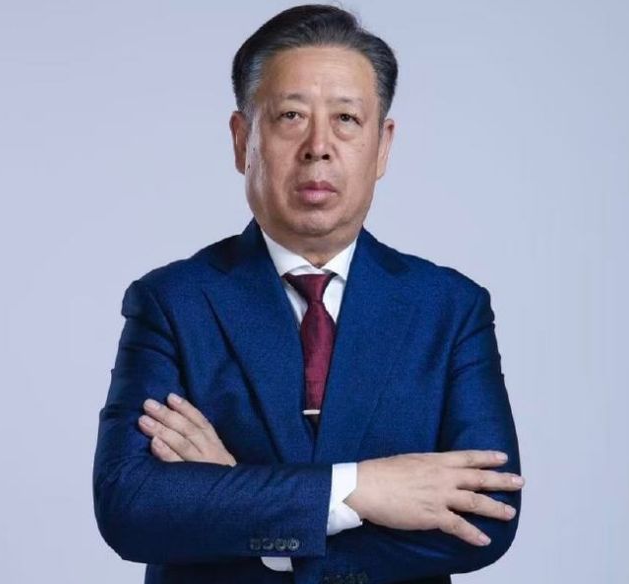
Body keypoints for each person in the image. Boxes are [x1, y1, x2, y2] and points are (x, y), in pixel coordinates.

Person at [92, 4, 524, 584]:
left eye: (346, 118)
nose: (319, 146)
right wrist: (361, 488)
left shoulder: (449, 309)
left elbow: (488, 515)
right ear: (242, 139)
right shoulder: (172, 302)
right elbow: (131, 506)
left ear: (382, 145)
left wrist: (239, 500)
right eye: (291, 116)